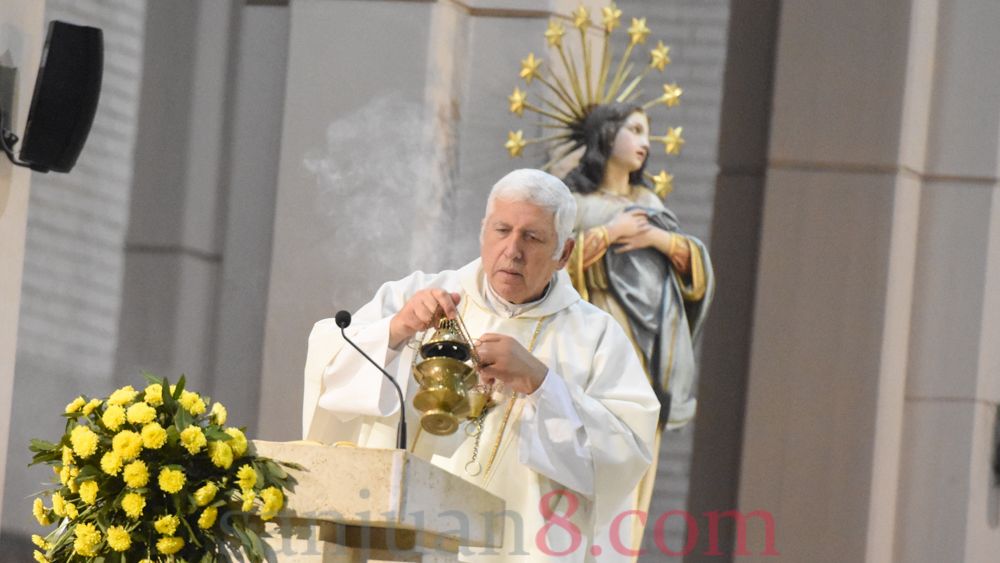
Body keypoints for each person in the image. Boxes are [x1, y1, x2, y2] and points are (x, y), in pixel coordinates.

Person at [301, 169, 659, 562]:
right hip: (400, 542)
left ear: (565, 254)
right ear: (482, 231)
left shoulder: (596, 338)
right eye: (502, 230)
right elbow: (329, 365)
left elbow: (623, 456)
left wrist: (540, 382)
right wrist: (397, 329)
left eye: (533, 237)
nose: (513, 249)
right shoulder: (416, 295)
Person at [563, 102, 714, 554]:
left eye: (648, 132)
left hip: (649, 352)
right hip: (597, 346)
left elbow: (693, 272)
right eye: (635, 129)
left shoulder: (651, 206)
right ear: (607, 136)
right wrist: (608, 235)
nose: (646, 141)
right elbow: (551, 270)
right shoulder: (573, 205)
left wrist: (657, 239)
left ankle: (619, 550)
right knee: (589, 459)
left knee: (636, 464)